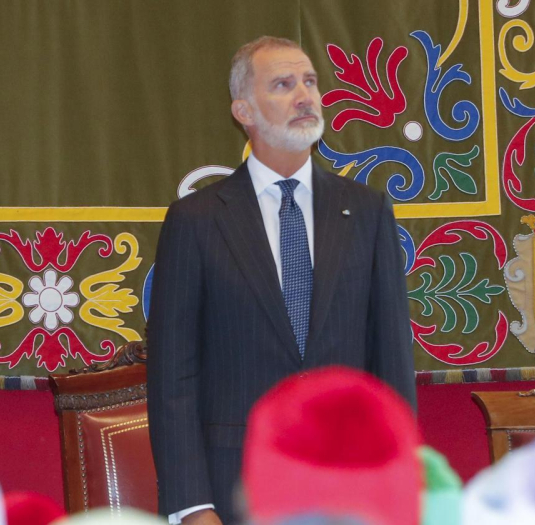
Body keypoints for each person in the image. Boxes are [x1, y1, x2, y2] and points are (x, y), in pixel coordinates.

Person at [147, 36, 417, 524]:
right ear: (243, 110)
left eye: (310, 82)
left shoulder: (367, 210)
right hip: (235, 487)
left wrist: (397, 487)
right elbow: (173, 377)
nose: (304, 95)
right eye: (283, 84)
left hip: (351, 488)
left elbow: (391, 361)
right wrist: (192, 505)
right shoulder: (197, 220)